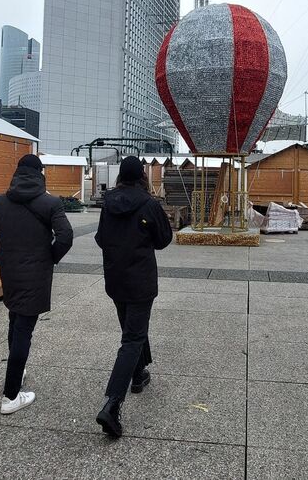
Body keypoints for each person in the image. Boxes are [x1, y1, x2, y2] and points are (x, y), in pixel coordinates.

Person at [0, 154, 73, 415]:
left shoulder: (0, 202)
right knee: (24, 330)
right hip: (36, 275)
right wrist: (51, 257)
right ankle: (11, 396)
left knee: (15, 320)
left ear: (17, 173)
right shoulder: (51, 203)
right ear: (40, 174)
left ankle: (17, 369)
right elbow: (66, 236)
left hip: (10, 273)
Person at [94, 156, 173, 437]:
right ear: (142, 176)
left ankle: (138, 375)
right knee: (132, 338)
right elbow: (164, 239)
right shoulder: (149, 204)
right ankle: (112, 405)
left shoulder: (108, 203)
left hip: (115, 278)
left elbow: (100, 238)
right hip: (140, 280)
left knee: (133, 329)